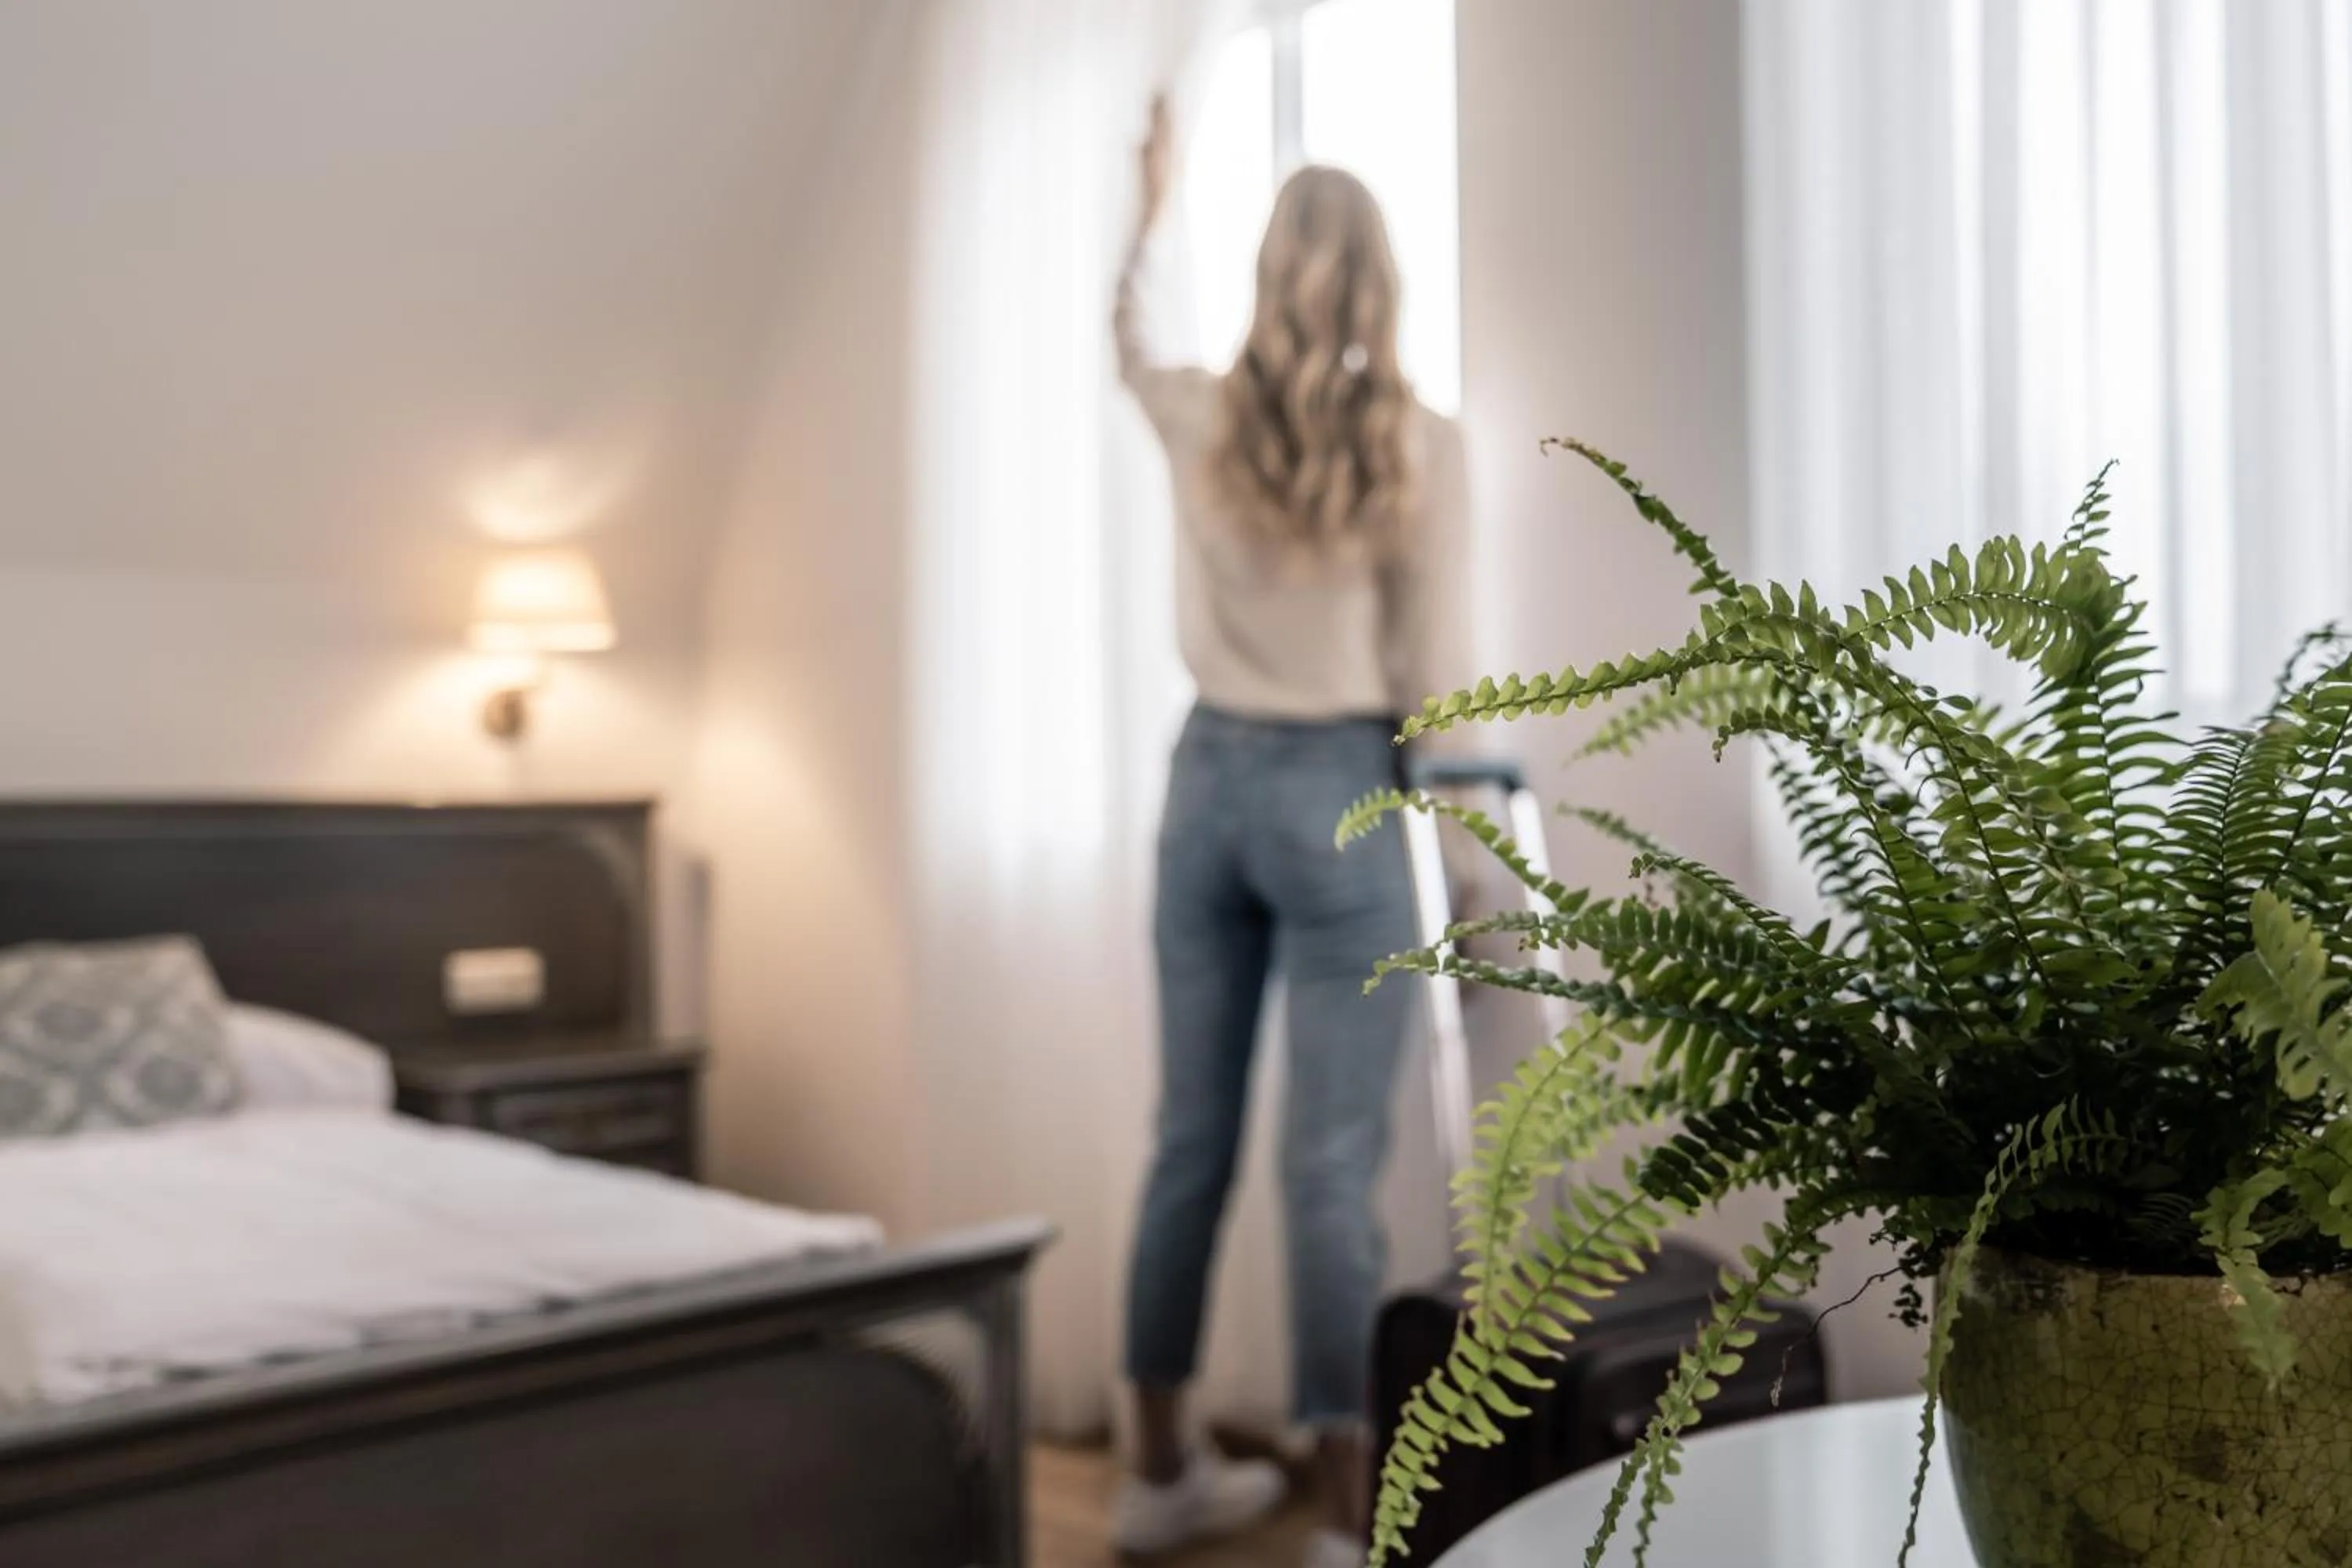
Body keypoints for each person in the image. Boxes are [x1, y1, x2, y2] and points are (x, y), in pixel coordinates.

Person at [1110, 96, 1472, 1568]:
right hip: (1341, 791)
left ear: (1270, 274)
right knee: (1327, 1168)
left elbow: (1123, 338)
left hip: (1202, 785)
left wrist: (1146, 201)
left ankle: (1150, 1473)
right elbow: (1438, 683)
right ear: (1380, 283)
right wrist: (1459, 865)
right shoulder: (1421, 449)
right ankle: (1346, 1517)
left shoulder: (1199, 415)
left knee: (1187, 1140)